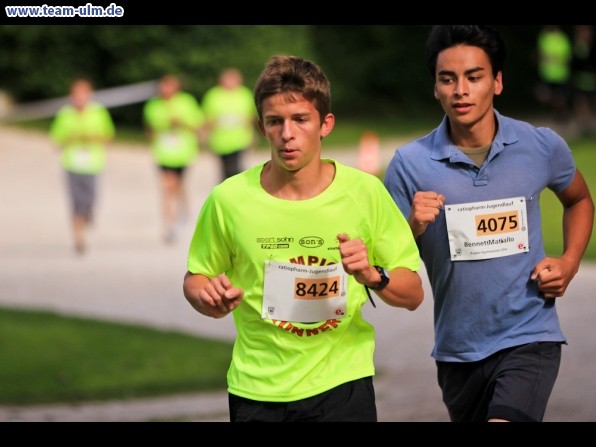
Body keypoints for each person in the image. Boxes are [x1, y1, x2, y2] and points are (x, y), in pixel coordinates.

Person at [183, 55, 424, 422]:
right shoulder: (228, 200)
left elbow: (413, 293)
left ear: (325, 124)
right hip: (257, 388)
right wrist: (206, 296)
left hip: (343, 383)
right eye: (275, 122)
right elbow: (196, 277)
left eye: (300, 120)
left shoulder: (365, 192)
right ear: (261, 129)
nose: (287, 134)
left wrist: (372, 275)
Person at [384, 25, 594, 422]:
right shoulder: (409, 165)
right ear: (435, 88)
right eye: (447, 79)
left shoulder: (540, 146)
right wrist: (412, 225)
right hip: (457, 350)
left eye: (473, 77)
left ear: (497, 82)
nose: (460, 90)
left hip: (530, 335)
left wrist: (568, 261)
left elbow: (579, 199)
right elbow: (391, 263)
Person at [49, 77, 115, 255]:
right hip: (72, 164)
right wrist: (70, 138)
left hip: (93, 164)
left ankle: (87, 216)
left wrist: (93, 138)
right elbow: (56, 140)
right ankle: (79, 239)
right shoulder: (65, 113)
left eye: (83, 94)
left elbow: (108, 136)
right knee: (76, 203)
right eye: (76, 94)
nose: (79, 98)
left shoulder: (99, 112)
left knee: (90, 200)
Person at [143, 74, 205, 243]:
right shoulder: (153, 106)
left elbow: (197, 125)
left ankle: (183, 212)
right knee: (167, 186)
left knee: (178, 186)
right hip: (163, 153)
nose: (166, 90)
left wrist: (180, 123)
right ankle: (169, 225)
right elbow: (150, 130)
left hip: (183, 153)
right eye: (163, 87)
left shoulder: (186, 102)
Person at [201, 67, 257, 181]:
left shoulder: (245, 93)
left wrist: (249, 129)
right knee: (225, 169)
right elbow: (207, 117)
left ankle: (236, 189)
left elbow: (251, 115)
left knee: (235, 168)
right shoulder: (213, 95)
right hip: (220, 140)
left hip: (239, 139)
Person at [535, 25, 573, 123]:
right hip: (546, 74)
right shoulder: (543, 36)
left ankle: (561, 115)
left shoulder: (562, 38)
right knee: (543, 95)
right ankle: (559, 112)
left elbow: (566, 56)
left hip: (560, 74)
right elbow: (541, 53)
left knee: (560, 98)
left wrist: (552, 58)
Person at [570, 25, 596, 136]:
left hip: (592, 82)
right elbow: (575, 65)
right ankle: (585, 129)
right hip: (581, 81)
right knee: (582, 104)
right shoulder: (577, 48)